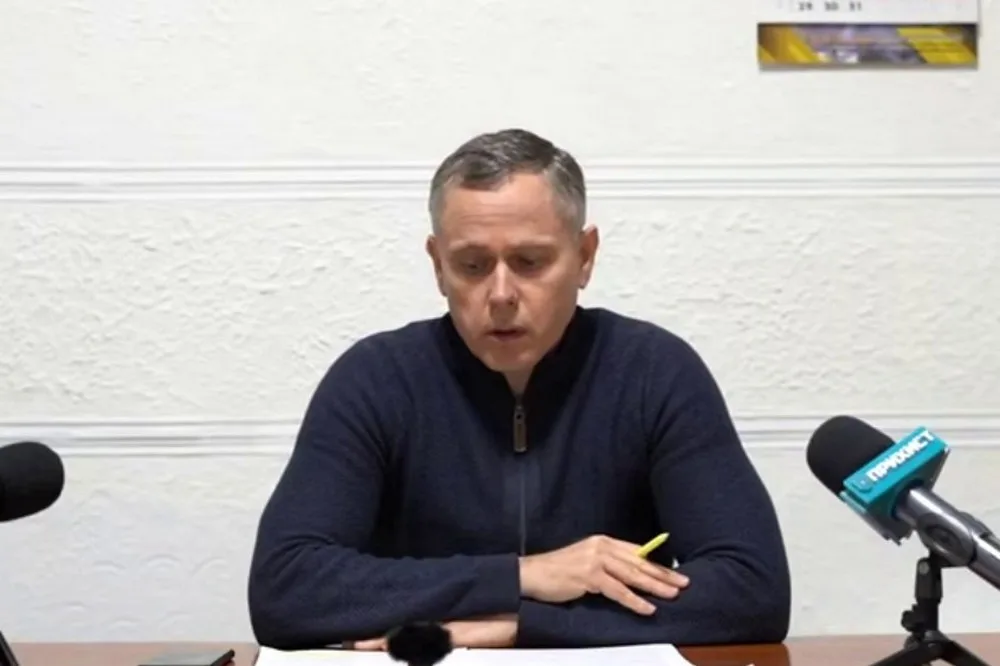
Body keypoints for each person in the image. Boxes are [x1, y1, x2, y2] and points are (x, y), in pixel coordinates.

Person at [247, 128, 791, 650]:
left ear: (585, 256)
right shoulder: (376, 379)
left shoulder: (654, 372)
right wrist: (522, 576)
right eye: (472, 265)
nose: (501, 294)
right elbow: (286, 588)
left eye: (530, 262)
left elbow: (752, 589)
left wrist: (522, 625)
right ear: (438, 265)